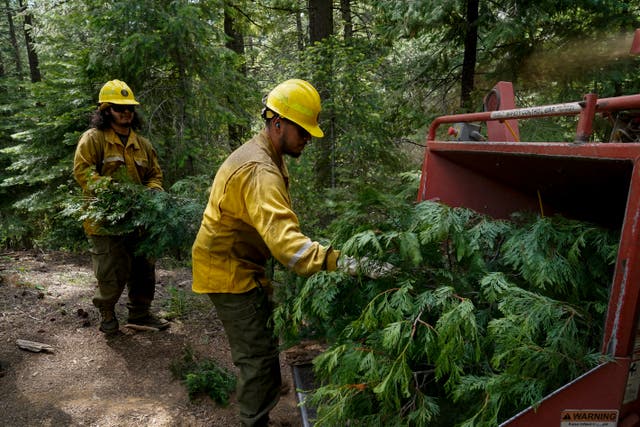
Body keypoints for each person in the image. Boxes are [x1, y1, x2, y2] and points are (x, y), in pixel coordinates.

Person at [191, 79, 342, 426]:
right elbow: (289, 249)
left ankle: (265, 396)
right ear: (277, 124)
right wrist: (340, 260)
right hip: (228, 270)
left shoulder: (269, 154)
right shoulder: (261, 170)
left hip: (244, 262)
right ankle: (254, 419)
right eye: (302, 131)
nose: (307, 139)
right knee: (256, 357)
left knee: (262, 341)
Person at [73, 79, 169, 335]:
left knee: (144, 270)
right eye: (118, 107)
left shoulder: (143, 144)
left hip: (139, 220)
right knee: (110, 273)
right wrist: (113, 192)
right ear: (106, 110)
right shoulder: (93, 139)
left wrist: (153, 192)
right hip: (104, 222)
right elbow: (83, 171)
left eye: (129, 108)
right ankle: (107, 312)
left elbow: (155, 175)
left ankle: (140, 313)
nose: (126, 112)